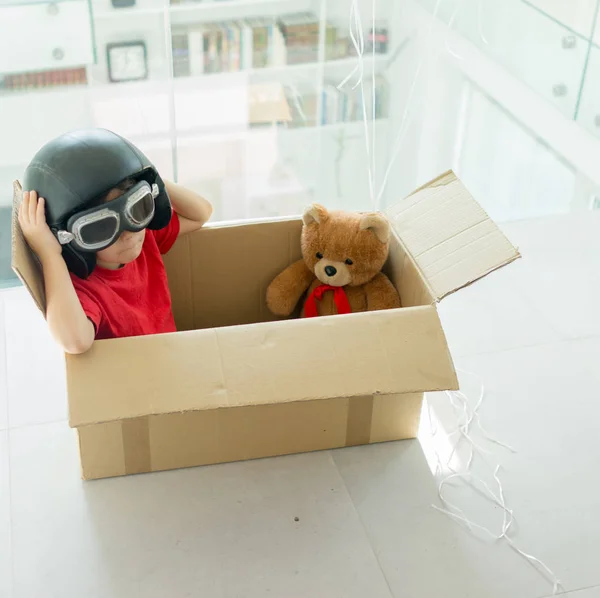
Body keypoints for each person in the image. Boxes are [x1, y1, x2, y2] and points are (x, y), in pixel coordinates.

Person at [18, 128, 212, 354]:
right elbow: (75, 342)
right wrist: (48, 254)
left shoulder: (145, 236)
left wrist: (149, 174)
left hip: (170, 357)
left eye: (138, 207)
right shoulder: (82, 287)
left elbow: (201, 213)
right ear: (68, 239)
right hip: (129, 379)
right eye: (101, 227)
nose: (127, 233)